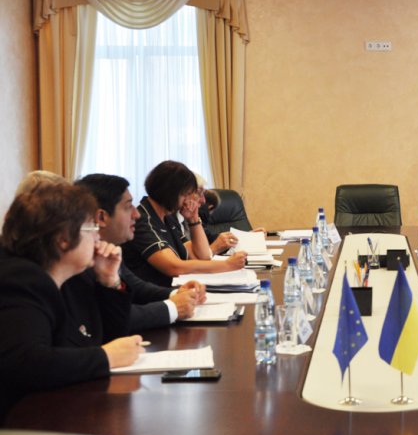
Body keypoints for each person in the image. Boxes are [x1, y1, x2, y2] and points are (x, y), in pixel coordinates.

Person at [0, 185, 143, 421]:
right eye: (92, 228)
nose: (98, 236)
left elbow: (109, 338)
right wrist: (105, 357)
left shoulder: (71, 276)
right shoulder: (20, 280)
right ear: (63, 239)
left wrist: (109, 281)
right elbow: (26, 362)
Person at [76, 174, 207, 331]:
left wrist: (177, 293)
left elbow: (136, 287)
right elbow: (102, 318)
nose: (136, 214)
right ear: (102, 217)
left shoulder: (107, 248)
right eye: (128, 207)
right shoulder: (78, 262)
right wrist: (173, 308)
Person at [122, 160, 247, 287]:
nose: (188, 199)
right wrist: (227, 265)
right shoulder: (142, 220)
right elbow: (174, 267)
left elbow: (203, 256)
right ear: (172, 192)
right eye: (186, 194)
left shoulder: (168, 218)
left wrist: (193, 219)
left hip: (177, 289)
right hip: (155, 295)